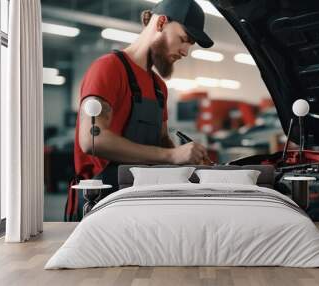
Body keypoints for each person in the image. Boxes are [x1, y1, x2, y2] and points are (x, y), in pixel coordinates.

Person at [65, 0, 214, 221]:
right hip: (100, 203)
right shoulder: (108, 68)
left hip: (140, 200)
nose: (185, 52)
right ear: (162, 22)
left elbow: (162, 140)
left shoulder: (159, 87)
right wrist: (171, 156)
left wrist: (187, 159)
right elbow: (91, 140)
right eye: (183, 39)